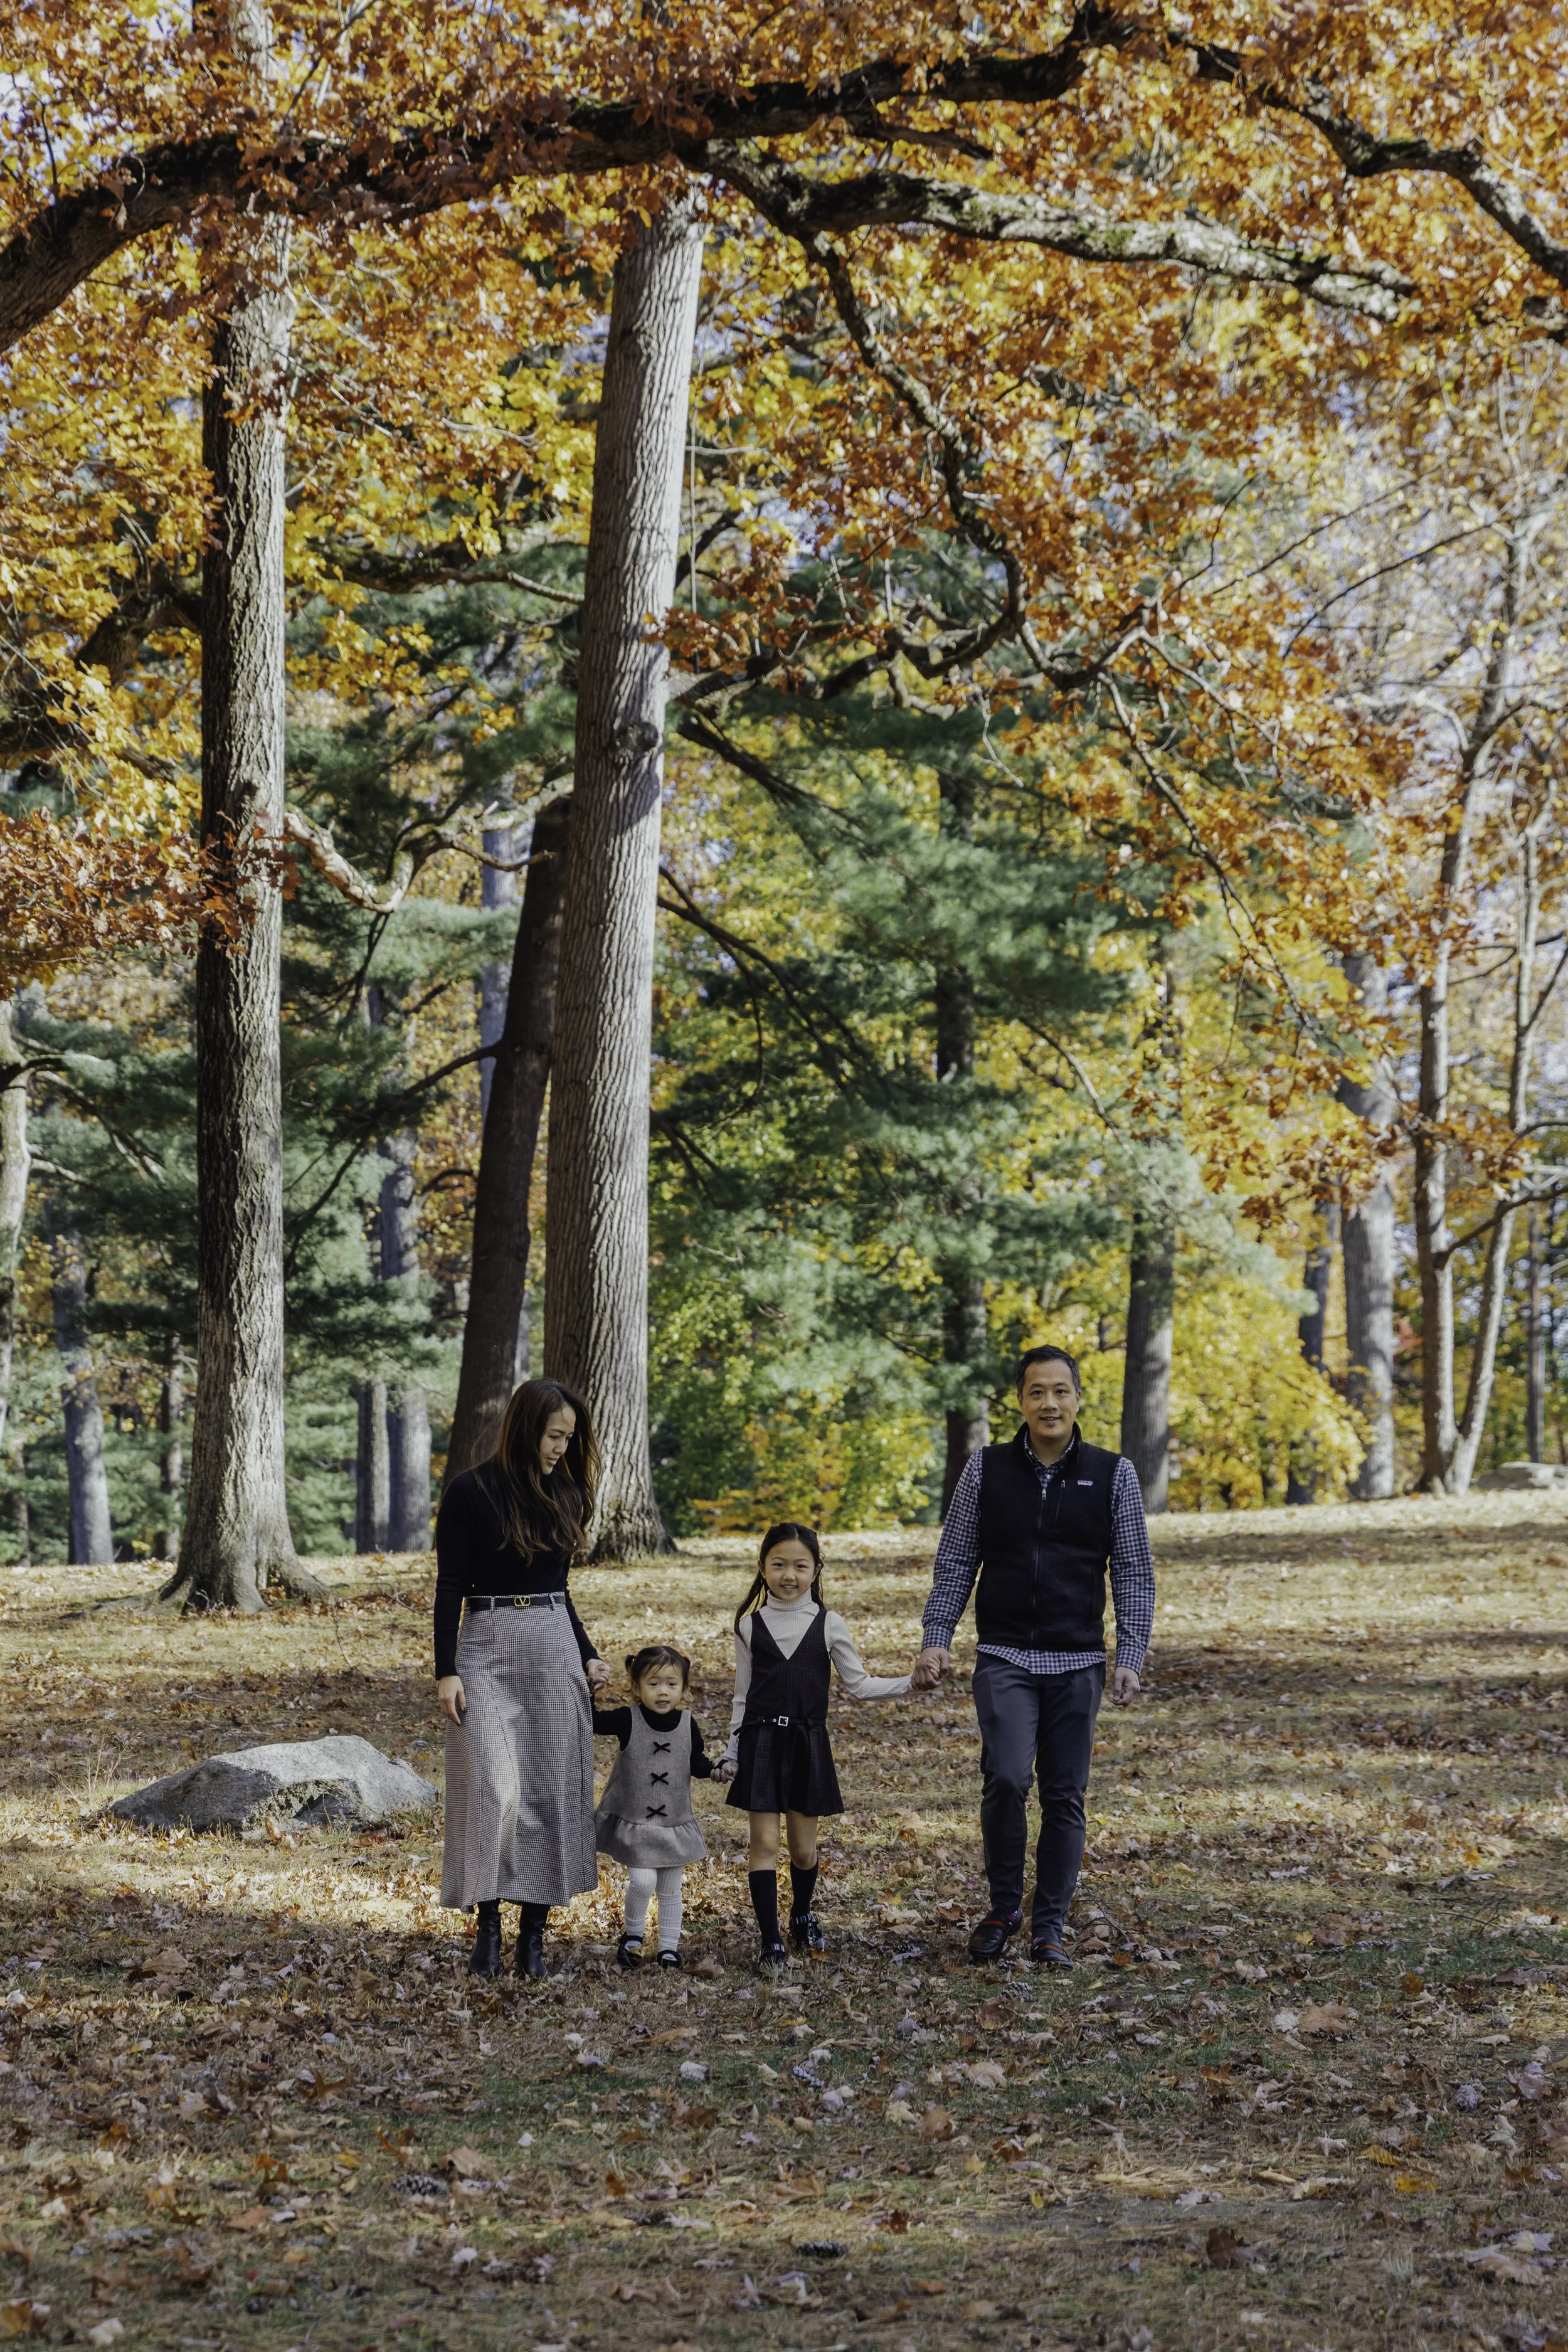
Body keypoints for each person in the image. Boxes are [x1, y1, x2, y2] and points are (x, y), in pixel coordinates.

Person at [912, 1345, 1154, 1969]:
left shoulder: (1112, 1474)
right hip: (1004, 1656)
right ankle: (1001, 1908)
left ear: (1076, 1399)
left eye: (1060, 1391)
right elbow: (957, 1558)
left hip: (1077, 1662)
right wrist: (936, 1636)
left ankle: (1048, 1927)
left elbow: (1131, 1569)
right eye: (1036, 1392)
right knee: (1008, 1778)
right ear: (1020, 1401)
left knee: (1065, 1795)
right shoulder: (986, 1469)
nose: (1049, 1403)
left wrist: (1130, 1650)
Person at [435, 1377, 609, 1979]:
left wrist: (587, 1653)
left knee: (547, 1791)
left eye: (569, 1437)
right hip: (485, 1646)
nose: (562, 1447)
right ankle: (487, 1924)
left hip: (553, 1648)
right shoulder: (469, 1491)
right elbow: (449, 1585)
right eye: (554, 1435)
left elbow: (561, 1591)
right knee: (493, 1788)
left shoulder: (566, 1492)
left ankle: (532, 1936)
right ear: (525, 1426)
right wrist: (446, 1670)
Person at [714, 1522, 912, 1968]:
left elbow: (858, 1685)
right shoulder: (749, 1626)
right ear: (762, 1568)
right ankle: (772, 1943)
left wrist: (910, 1683)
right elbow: (742, 1697)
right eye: (779, 1564)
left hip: (807, 1743)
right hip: (762, 1743)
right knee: (763, 1844)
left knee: (803, 1850)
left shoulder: (829, 1624)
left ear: (816, 1569)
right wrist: (732, 1751)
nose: (789, 1575)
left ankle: (801, 1915)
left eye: (800, 1566)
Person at [593, 1643, 716, 1969]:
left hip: (674, 1822)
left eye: (672, 1684)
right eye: (654, 1683)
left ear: (684, 1689)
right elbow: (592, 1722)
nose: (664, 1692)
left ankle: (668, 1949)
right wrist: (590, 1689)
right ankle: (632, 1937)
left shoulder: (688, 1723)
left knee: (671, 1887)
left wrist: (716, 1770)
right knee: (644, 1881)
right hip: (637, 1821)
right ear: (636, 1688)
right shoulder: (627, 1719)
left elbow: (697, 1762)